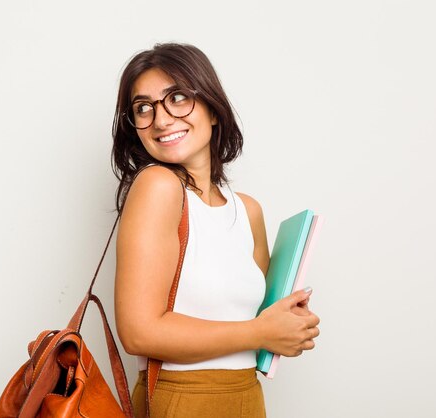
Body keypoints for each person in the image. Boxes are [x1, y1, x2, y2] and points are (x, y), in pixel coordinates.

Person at [111, 43, 320, 418]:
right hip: (183, 400)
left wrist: (292, 322)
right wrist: (261, 333)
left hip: (247, 395)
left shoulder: (248, 209)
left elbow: (261, 320)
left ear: (212, 108)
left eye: (177, 98)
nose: (160, 120)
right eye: (144, 108)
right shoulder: (158, 186)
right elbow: (138, 332)